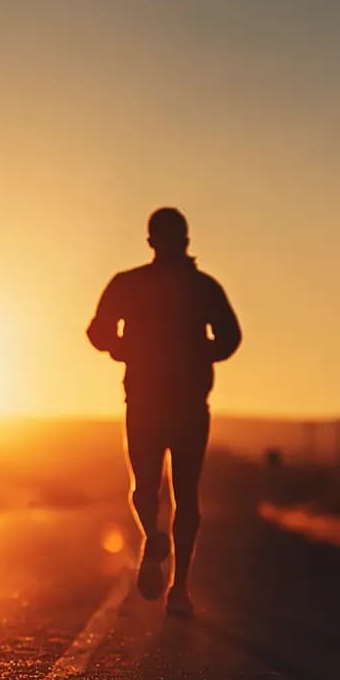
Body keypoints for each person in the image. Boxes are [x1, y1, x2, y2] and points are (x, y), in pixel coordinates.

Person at [87, 208, 241, 617]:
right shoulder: (187, 286)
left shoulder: (175, 286)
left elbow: (230, 337)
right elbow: (97, 331)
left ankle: (171, 573)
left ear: (156, 241)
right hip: (167, 403)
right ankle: (169, 568)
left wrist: (126, 349)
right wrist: (200, 355)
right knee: (165, 492)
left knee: (163, 491)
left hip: (164, 403)